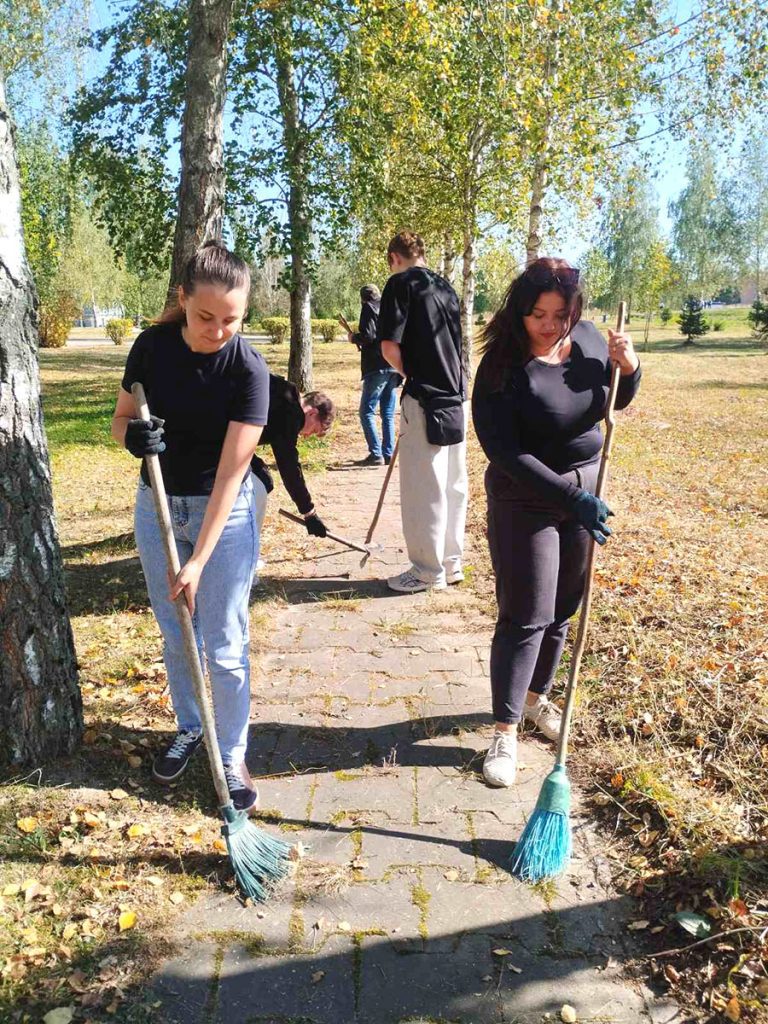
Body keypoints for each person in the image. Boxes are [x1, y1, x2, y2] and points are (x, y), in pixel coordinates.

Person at [112, 241, 269, 813]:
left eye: (232, 319)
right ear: (183, 299)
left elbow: (233, 475)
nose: (219, 330)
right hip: (156, 504)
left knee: (224, 641)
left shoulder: (249, 370)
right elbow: (121, 419)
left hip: (221, 515)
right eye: (206, 317)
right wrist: (133, 437)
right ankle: (190, 726)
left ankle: (231, 752)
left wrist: (199, 560)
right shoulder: (151, 348)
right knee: (176, 630)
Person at [471, 257, 641, 787]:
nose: (549, 325)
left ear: (575, 310)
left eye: (560, 313)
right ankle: (504, 729)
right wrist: (570, 496)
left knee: (564, 608)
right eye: (538, 314)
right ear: (520, 311)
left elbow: (612, 403)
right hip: (526, 499)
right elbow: (505, 453)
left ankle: (534, 699)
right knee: (527, 613)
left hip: (585, 493)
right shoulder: (501, 368)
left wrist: (630, 369)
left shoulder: (590, 339)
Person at [378, 231, 468, 593]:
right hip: (458, 394)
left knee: (423, 486)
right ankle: (451, 562)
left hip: (426, 396)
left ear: (393, 258)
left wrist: (410, 375)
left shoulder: (400, 284)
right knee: (453, 484)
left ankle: (427, 571)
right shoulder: (447, 287)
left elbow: (388, 346)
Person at [250, 375, 335, 550]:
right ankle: (247, 551)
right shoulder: (290, 412)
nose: (306, 435)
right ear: (312, 413)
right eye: (313, 430)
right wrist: (308, 512)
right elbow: (288, 466)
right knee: (258, 488)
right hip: (213, 435)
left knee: (262, 481)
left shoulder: (283, 394)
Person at [348, 284, 401, 466]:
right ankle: (388, 454)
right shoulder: (390, 307)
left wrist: (354, 337)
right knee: (387, 412)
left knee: (366, 411)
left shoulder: (368, 308)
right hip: (393, 365)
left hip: (376, 366)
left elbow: (369, 335)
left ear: (363, 298)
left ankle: (375, 453)